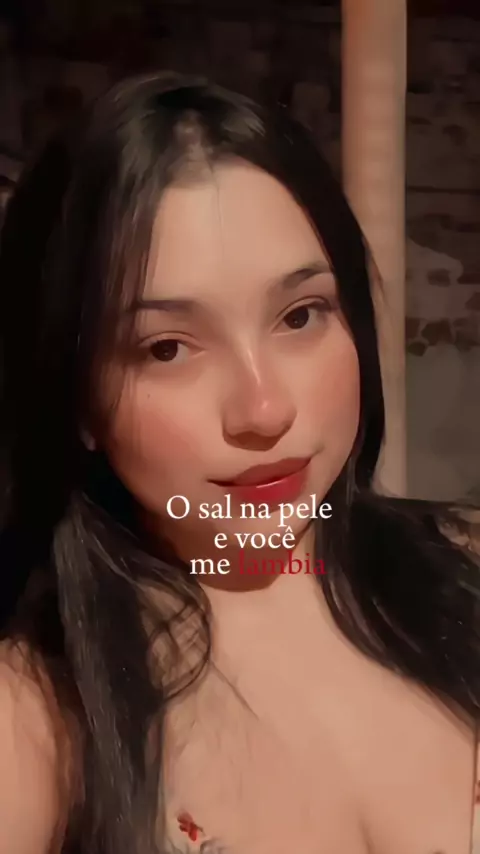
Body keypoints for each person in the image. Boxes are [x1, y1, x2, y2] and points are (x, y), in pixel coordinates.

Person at [0, 71, 478, 854]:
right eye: (167, 348)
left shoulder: (467, 572)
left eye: (300, 315)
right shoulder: (35, 723)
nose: (264, 410)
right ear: (75, 395)